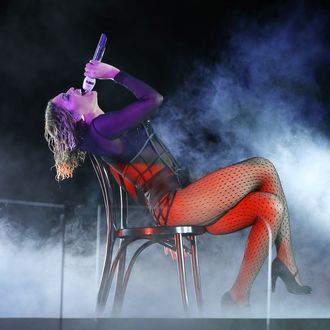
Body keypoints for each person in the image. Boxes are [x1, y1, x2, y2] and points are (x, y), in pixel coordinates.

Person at [44, 60, 311, 308]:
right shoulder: (101, 128)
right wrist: (114, 74)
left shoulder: (102, 135)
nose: (71, 89)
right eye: (67, 97)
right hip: (176, 207)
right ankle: (285, 262)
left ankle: (238, 295)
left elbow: (133, 186)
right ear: (75, 118)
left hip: (181, 205)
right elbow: (153, 99)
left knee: (271, 207)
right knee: (264, 168)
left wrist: (163, 229)